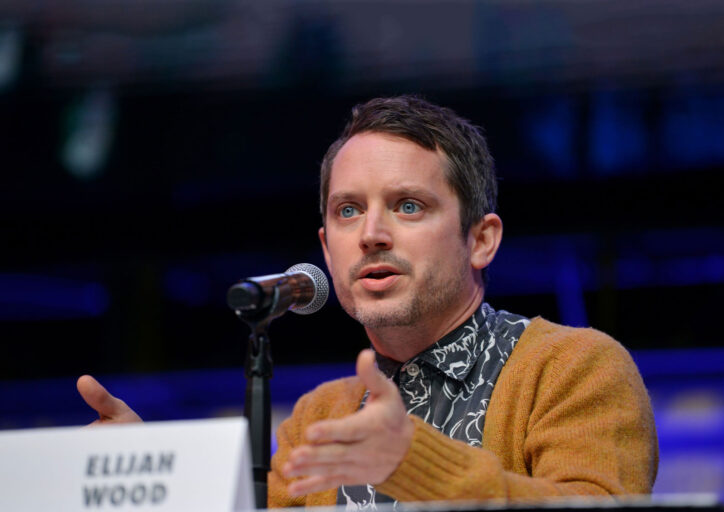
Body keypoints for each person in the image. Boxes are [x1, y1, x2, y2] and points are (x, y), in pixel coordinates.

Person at [78, 95, 658, 508]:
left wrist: (416, 463)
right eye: (348, 210)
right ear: (328, 251)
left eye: (408, 206)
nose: (371, 234)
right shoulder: (321, 414)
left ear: (480, 240)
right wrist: (154, 482)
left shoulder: (572, 368)